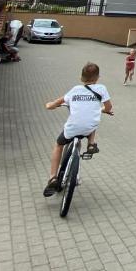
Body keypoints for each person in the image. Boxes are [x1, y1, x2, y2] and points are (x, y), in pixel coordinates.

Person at [42, 62, 112, 196]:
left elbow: (56, 103)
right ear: (98, 78)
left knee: (58, 144)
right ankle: (91, 144)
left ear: (81, 78)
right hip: (89, 127)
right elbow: (108, 108)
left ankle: (53, 177)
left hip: (73, 128)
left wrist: (50, 105)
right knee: (93, 119)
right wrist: (103, 110)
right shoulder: (102, 88)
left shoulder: (74, 90)